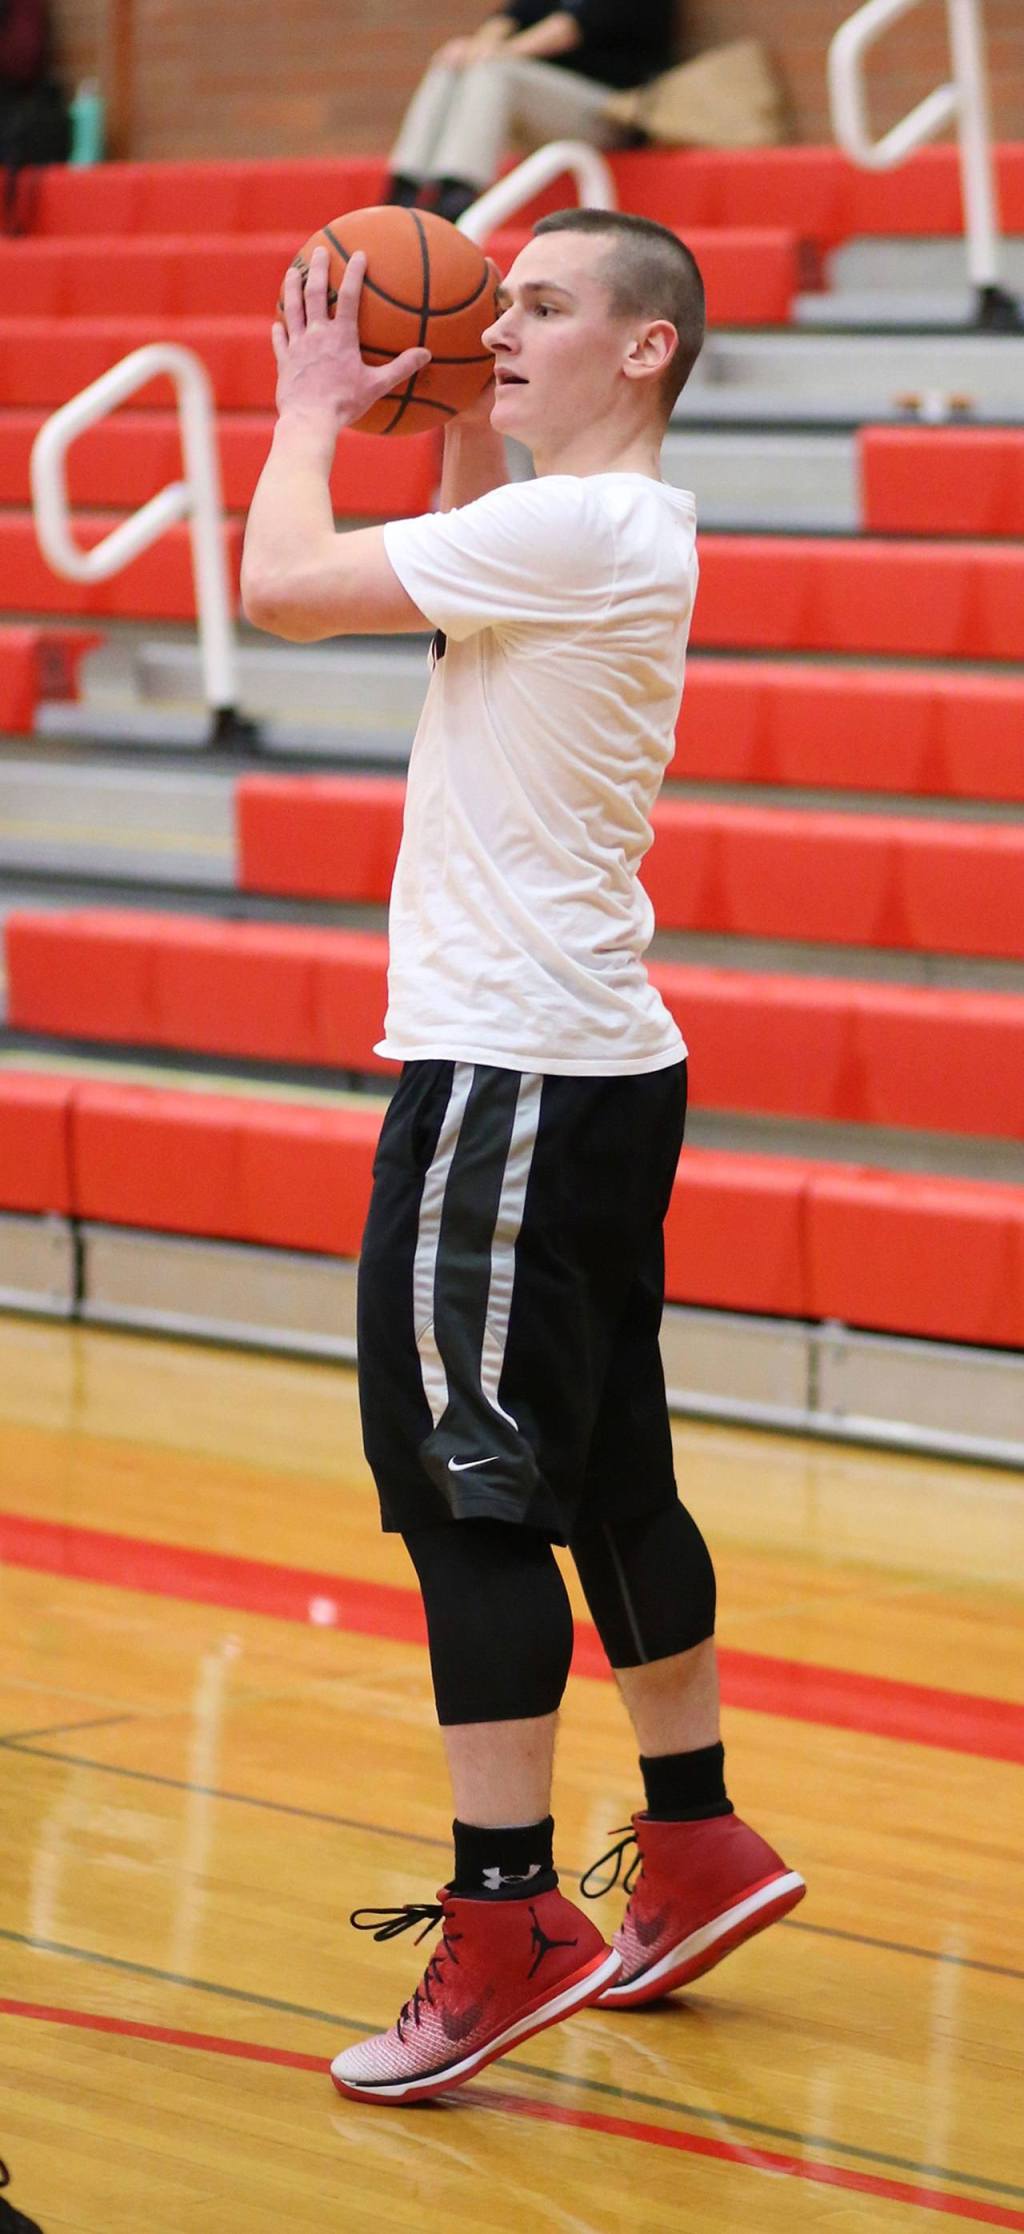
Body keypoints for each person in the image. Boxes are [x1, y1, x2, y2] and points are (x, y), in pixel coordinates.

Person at [241, 204, 805, 2107]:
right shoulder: (593, 530)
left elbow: (280, 584)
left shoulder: (579, 528)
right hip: (595, 1070)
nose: (502, 325)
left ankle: (508, 1919)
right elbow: (439, 563)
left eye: (541, 306)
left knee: (463, 1493)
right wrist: (460, 399)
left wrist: (316, 400)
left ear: (643, 349)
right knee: (607, 1470)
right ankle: (700, 1837)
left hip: (501, 1079)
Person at [384, 0, 676, 223]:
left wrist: (496, 53)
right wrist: (473, 49)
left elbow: (568, 30)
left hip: (613, 111)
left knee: (494, 71)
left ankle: (455, 198)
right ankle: (404, 191)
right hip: (551, 104)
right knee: (450, 63)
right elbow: (510, 16)